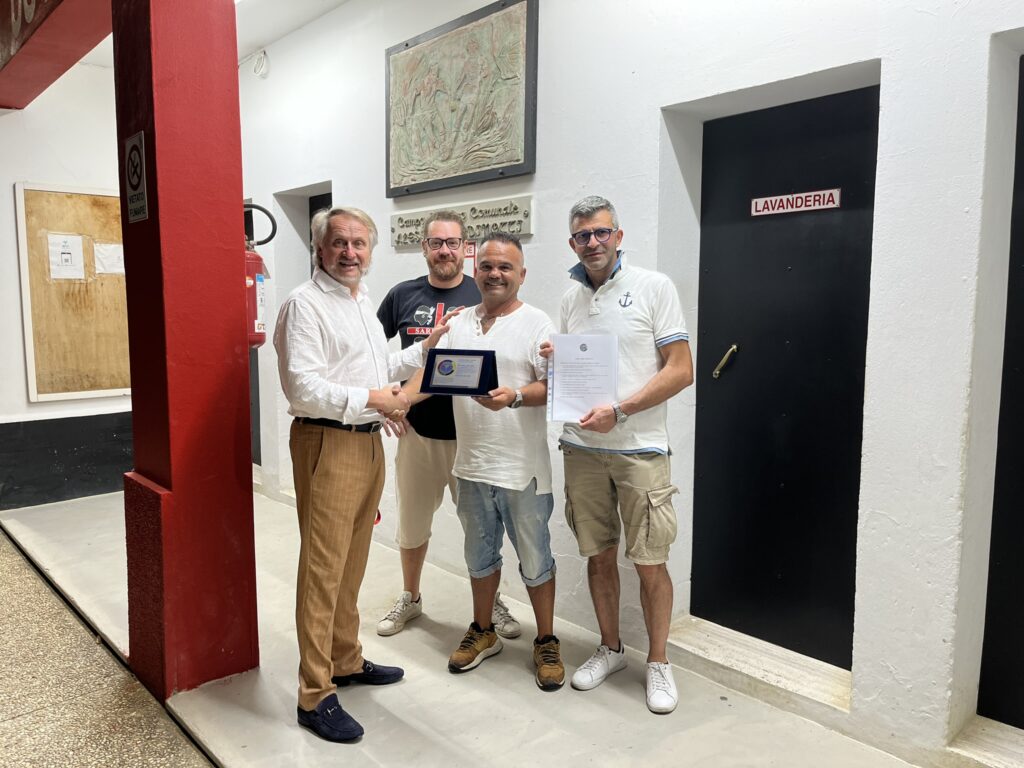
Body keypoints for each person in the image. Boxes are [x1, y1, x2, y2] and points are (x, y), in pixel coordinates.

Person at [273, 206, 453, 743]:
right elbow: (303, 387)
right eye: (339, 243)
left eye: (359, 244)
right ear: (319, 248)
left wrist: (425, 347)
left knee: (351, 561)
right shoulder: (304, 305)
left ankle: (345, 659)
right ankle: (314, 692)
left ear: (371, 251)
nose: (350, 253)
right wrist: (376, 399)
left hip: (367, 441)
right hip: (327, 441)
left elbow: (376, 368)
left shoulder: (359, 300)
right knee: (323, 568)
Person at [541, 195, 693, 714]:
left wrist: (620, 411)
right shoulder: (570, 299)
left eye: (601, 232)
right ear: (572, 243)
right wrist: (556, 363)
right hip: (582, 449)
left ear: (618, 236)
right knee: (598, 555)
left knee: (650, 562)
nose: (593, 242)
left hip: (639, 449)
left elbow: (681, 369)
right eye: (582, 235)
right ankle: (611, 649)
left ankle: (658, 661)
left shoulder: (654, 287)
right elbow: (575, 376)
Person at [404, 232, 563, 691]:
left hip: (522, 470)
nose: (495, 274)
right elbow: (433, 377)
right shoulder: (458, 323)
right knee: (478, 556)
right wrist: (398, 402)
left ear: (521, 275)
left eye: (505, 267)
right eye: (488, 266)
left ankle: (546, 640)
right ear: (476, 272)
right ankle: (483, 631)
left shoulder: (538, 323)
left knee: (535, 559)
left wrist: (515, 397)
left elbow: (554, 385)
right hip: (471, 465)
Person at [376, 211, 521, 640]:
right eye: (436, 242)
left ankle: (492, 602)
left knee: (483, 530)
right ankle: (411, 596)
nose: (445, 250)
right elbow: (369, 355)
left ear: (465, 248)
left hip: (472, 437)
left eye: (453, 242)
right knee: (412, 525)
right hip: (417, 433)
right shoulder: (401, 295)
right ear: (424, 247)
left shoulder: (484, 292)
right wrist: (385, 402)